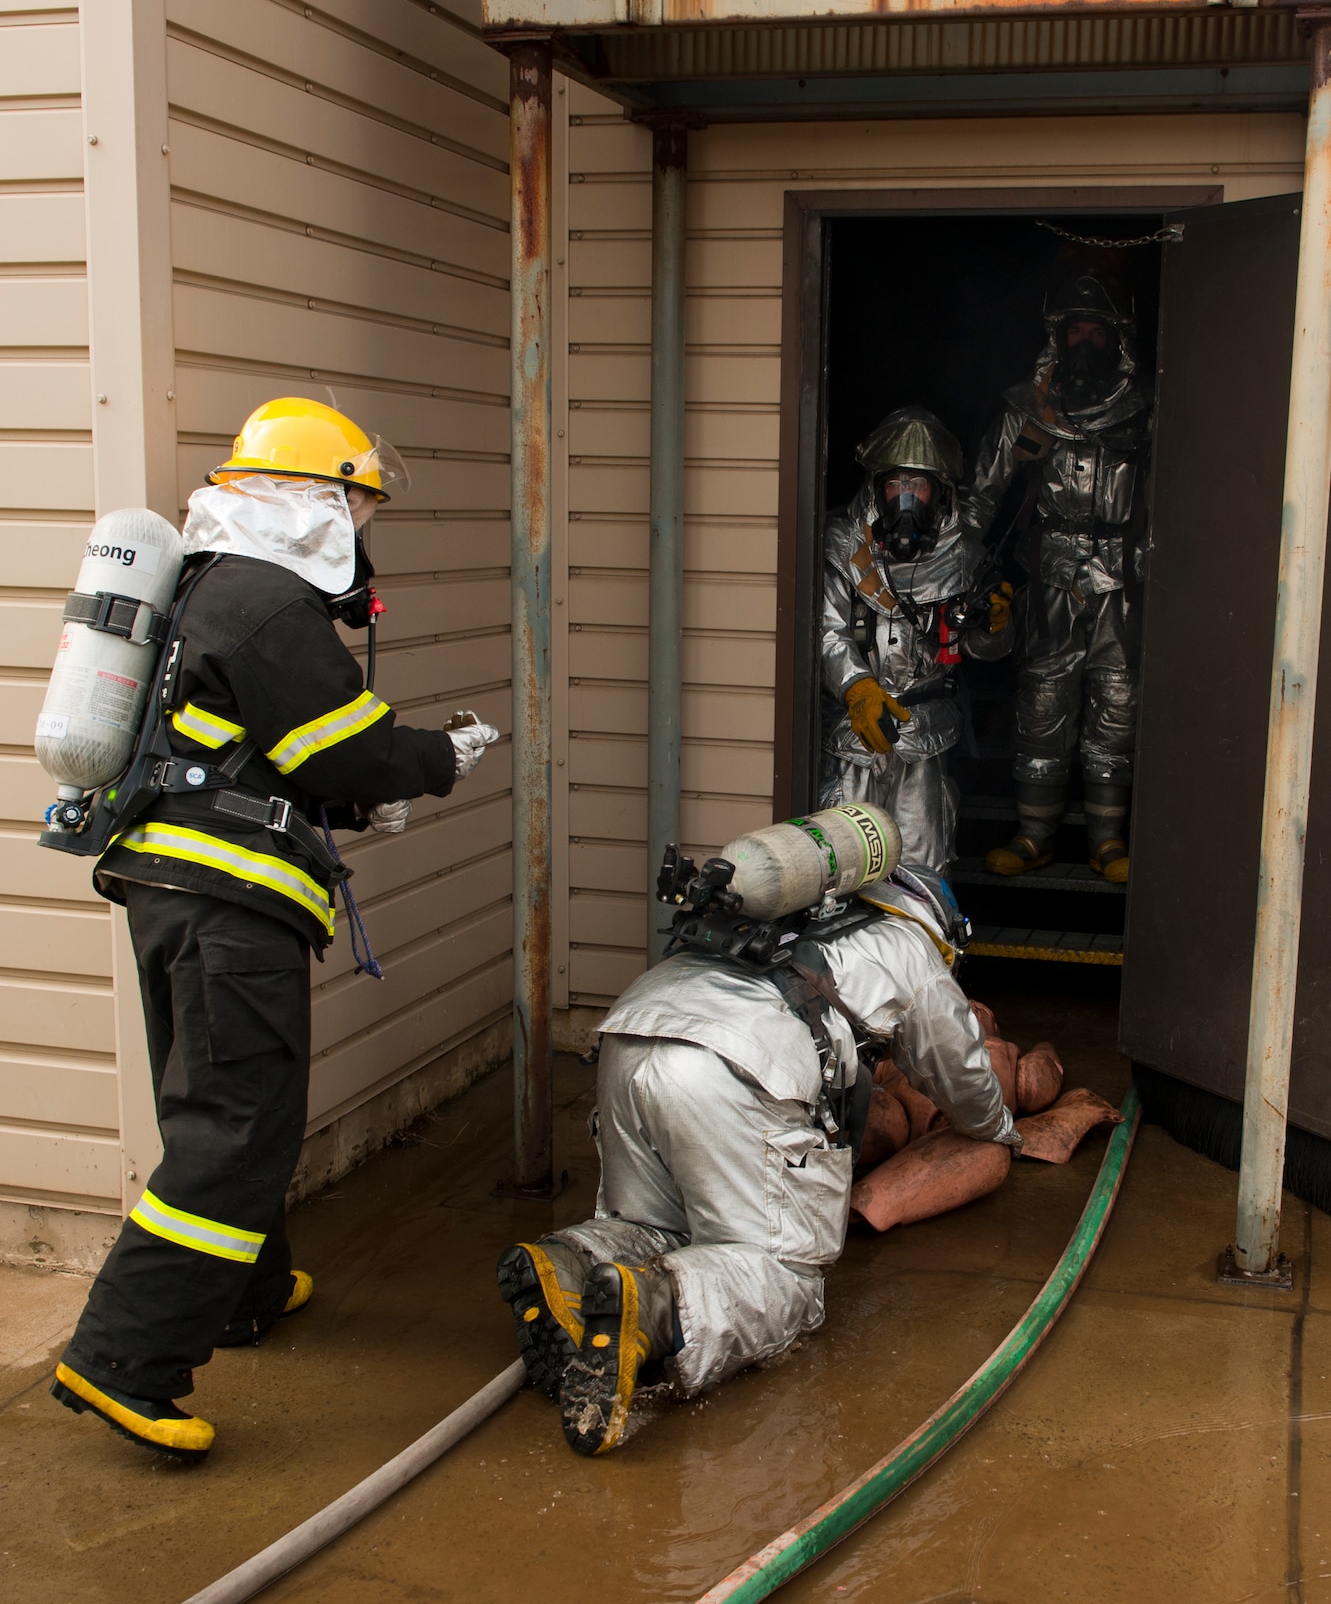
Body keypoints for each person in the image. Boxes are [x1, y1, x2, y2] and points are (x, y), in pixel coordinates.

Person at [53, 397, 499, 1458]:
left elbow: (270, 755)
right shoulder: (263, 602)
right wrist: (439, 758)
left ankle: (246, 1292)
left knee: (217, 1104)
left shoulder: (216, 588)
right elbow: (349, 751)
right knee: (237, 1122)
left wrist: (353, 790)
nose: (361, 526)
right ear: (312, 502)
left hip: (183, 891)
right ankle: (121, 1360)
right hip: (224, 909)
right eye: (355, 501)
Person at [497, 851, 1019, 1458]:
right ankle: (657, 1312)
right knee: (784, 1274)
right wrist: (998, 1125)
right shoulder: (911, 946)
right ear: (940, 926)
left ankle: (567, 1261)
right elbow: (961, 1076)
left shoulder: (794, 915)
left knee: (654, 1226)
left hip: (629, 1039)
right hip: (734, 1065)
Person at [963, 270, 1152, 883]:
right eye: (1076, 328)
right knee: (1043, 701)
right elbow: (979, 499)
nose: (1085, 339)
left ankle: (1107, 839)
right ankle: (1034, 834)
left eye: (1096, 328)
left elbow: (1179, 500)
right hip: (1048, 579)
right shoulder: (1026, 408)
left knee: (1117, 702)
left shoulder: (1148, 411)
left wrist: (1132, 564)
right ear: (1058, 336)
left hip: (1122, 580)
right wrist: (955, 571)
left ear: (1116, 337)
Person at [820, 408, 1012, 872]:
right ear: (877, 486)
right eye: (895, 484)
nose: (906, 497)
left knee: (923, 867)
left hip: (927, 735)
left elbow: (980, 653)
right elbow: (828, 629)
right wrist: (857, 688)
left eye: (917, 485)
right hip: (853, 735)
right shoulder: (842, 543)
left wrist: (994, 628)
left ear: (938, 492)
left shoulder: (966, 554)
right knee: (841, 867)